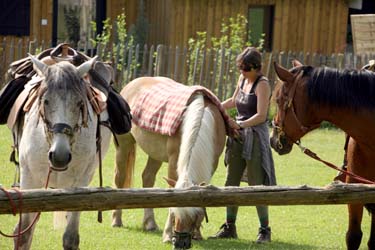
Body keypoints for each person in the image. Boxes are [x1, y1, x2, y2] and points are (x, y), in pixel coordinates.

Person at [209, 47, 276, 243]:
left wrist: (240, 124)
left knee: (257, 184)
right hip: (237, 136)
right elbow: (233, 100)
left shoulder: (262, 84)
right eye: (240, 68)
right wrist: (216, 106)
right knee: (231, 181)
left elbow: (261, 115)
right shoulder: (242, 79)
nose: (242, 72)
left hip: (255, 137)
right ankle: (230, 227)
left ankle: (265, 230)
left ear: (256, 68)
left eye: (246, 69)